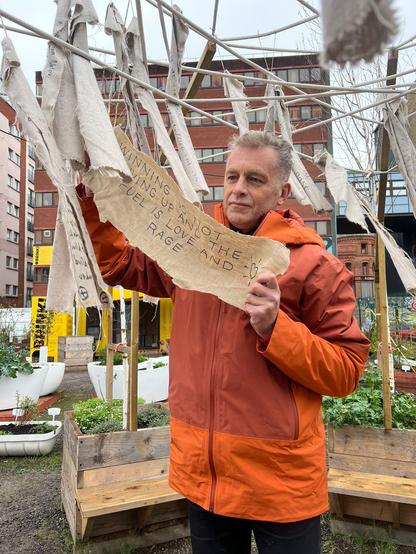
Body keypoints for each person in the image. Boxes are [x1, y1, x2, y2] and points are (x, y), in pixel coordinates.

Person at [78, 131, 370, 553]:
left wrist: (276, 328)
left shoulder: (314, 265)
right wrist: (94, 197)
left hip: (280, 482)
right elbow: (121, 263)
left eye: (255, 179)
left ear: (282, 191)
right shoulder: (194, 247)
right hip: (204, 476)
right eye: (232, 176)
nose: (238, 189)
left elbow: (346, 371)